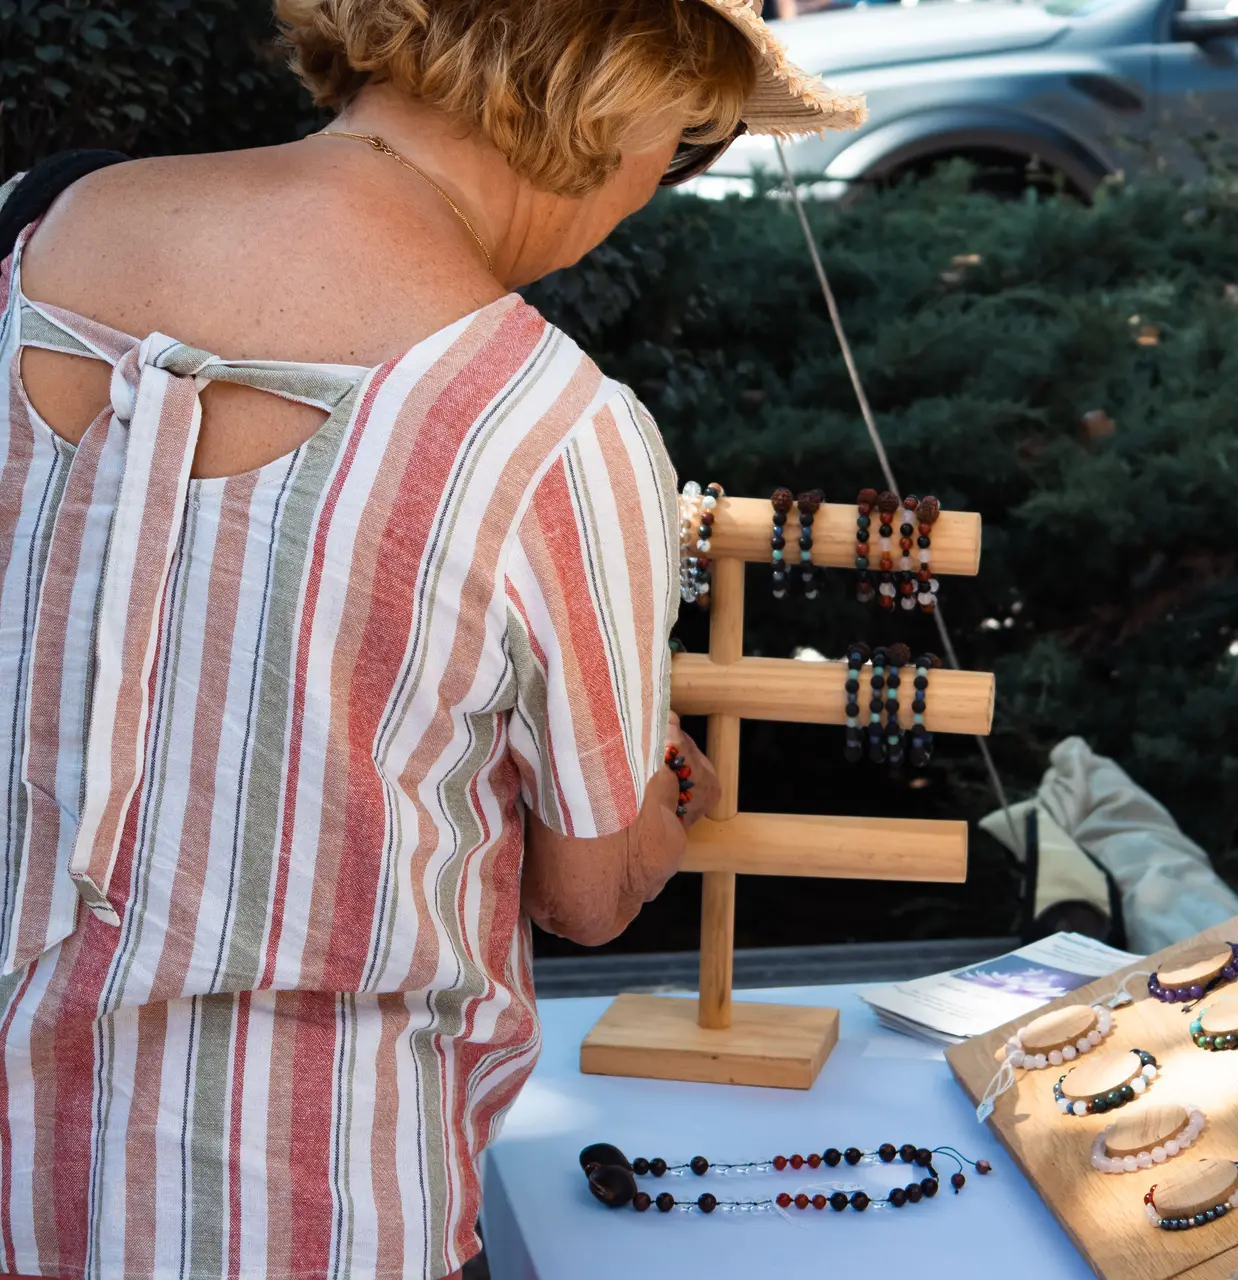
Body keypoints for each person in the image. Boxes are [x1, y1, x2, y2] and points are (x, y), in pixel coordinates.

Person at [0, 1, 863, 1276]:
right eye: (692, 143)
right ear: (627, 82)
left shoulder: (33, 226)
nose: (660, 188)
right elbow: (589, 891)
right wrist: (650, 788)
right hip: (304, 1212)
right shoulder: (551, 431)